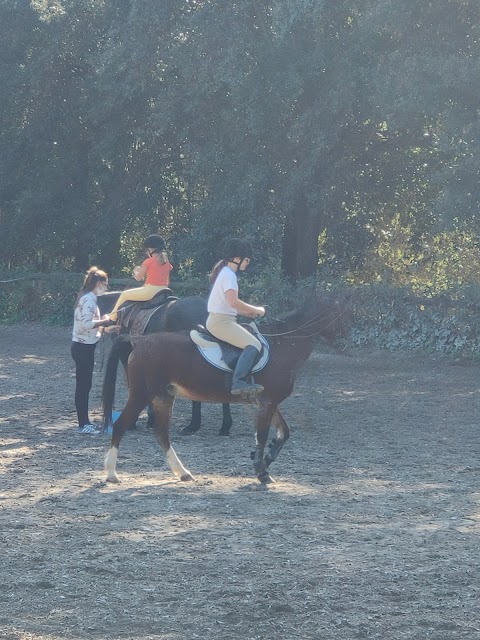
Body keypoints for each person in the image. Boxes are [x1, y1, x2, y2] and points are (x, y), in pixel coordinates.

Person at [206, 238, 266, 396]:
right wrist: (257, 309)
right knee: (254, 344)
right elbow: (233, 301)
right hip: (220, 323)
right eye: (247, 259)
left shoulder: (225, 272)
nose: (248, 263)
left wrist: (245, 312)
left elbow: (227, 304)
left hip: (223, 318)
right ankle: (238, 382)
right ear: (238, 259)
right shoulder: (229, 275)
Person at [71, 266, 110, 434]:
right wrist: (105, 321)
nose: (107, 287)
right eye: (106, 283)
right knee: (83, 386)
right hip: (83, 348)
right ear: (99, 283)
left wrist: (106, 328)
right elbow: (87, 324)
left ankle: (85, 421)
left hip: (85, 346)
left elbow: (91, 325)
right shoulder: (90, 299)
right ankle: (83, 423)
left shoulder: (87, 297)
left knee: (85, 385)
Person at [108, 234, 173, 322]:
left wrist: (136, 271)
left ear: (151, 250)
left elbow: (138, 278)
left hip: (150, 291)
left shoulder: (148, 261)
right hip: (165, 290)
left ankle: (112, 317)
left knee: (124, 294)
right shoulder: (166, 262)